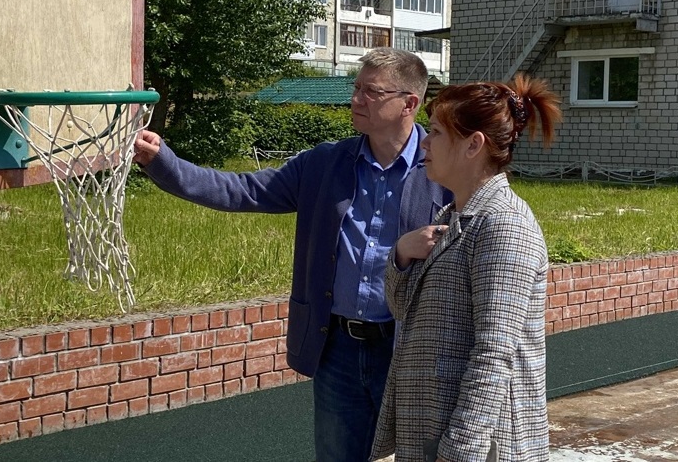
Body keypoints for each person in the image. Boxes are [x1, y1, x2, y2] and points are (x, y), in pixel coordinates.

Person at [133, 48, 451, 462]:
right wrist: (163, 162)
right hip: (338, 347)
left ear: (410, 103)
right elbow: (241, 190)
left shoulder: (442, 164)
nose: (355, 99)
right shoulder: (324, 164)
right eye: (356, 88)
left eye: (370, 92)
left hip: (413, 349)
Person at [370, 75, 562, 462]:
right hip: (430, 428)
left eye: (437, 132)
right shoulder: (453, 216)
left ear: (474, 144)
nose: (424, 142)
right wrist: (401, 256)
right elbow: (403, 311)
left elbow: (494, 354)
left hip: (478, 445)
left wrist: (459, 452)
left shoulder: (504, 226)